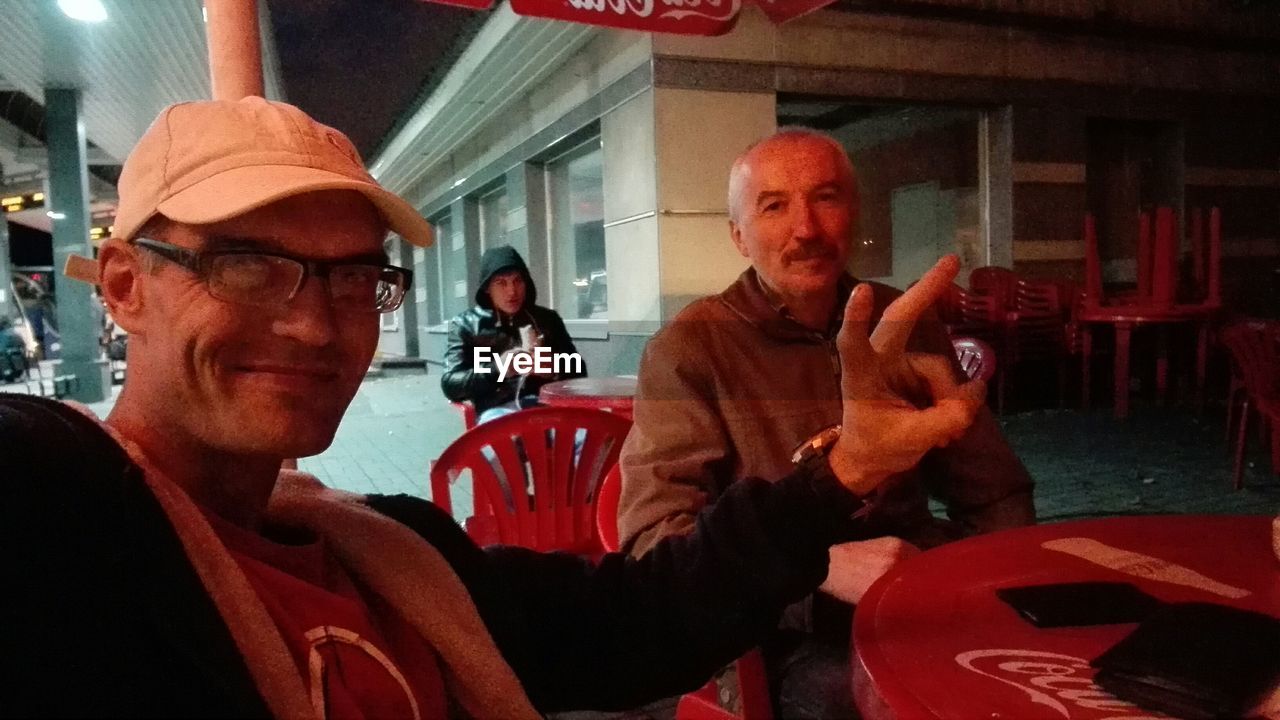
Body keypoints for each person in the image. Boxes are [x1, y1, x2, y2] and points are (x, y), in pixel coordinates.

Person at [0, 98, 986, 717]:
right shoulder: (73, 521)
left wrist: (841, 470)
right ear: (123, 286)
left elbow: (633, 618)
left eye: (350, 279)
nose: (310, 326)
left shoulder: (396, 554)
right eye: (249, 266)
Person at [617, 128, 1035, 718]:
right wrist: (814, 572)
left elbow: (996, 490)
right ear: (738, 236)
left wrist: (996, 588)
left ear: (854, 214)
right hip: (782, 633)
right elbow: (653, 545)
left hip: (916, 597)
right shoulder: (690, 349)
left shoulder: (902, 320)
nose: (806, 229)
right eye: (773, 206)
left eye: (826, 198)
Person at [441, 245, 585, 423]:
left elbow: (579, 370)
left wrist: (555, 367)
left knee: (591, 438)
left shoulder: (548, 319)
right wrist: (498, 369)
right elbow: (450, 384)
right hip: (497, 411)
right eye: (501, 283)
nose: (512, 291)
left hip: (547, 407)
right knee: (512, 441)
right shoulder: (465, 325)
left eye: (518, 281)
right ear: (487, 288)